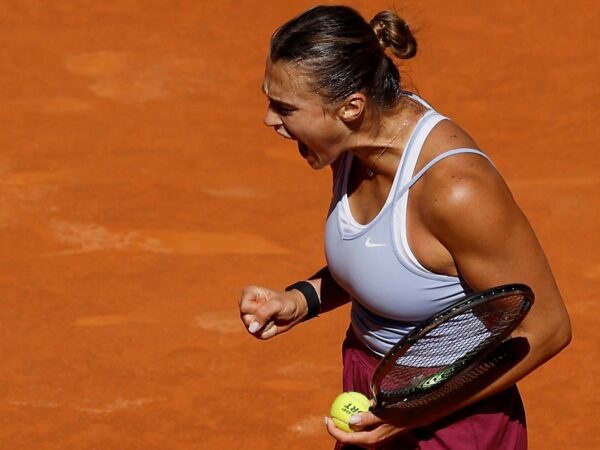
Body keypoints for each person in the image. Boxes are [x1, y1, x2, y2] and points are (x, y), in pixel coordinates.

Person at [238, 5, 571, 449]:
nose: (269, 120)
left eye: (285, 108)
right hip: (373, 392)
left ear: (351, 107)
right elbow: (390, 261)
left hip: (453, 418)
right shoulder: (356, 144)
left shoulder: (456, 191)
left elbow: (547, 328)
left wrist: (416, 414)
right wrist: (302, 299)